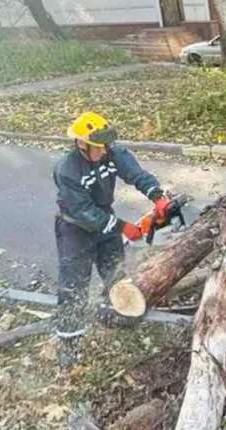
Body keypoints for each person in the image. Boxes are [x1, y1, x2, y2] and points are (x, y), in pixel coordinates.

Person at [53, 111, 171, 367]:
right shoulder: (67, 170)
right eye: (98, 147)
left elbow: (135, 173)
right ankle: (69, 345)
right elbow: (83, 211)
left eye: (106, 145)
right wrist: (121, 227)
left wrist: (157, 195)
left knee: (115, 274)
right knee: (74, 286)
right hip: (75, 229)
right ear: (81, 144)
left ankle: (112, 318)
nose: (105, 151)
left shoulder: (111, 152)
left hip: (104, 219)